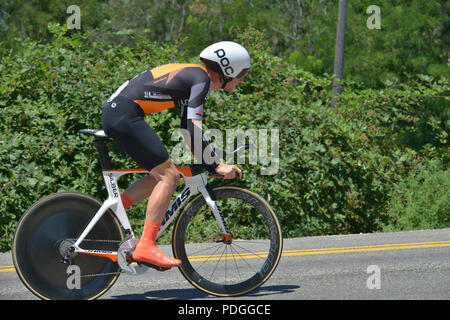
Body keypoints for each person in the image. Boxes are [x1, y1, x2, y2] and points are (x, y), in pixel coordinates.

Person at [101, 41, 251, 269]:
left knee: (158, 177)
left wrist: (210, 161)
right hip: (124, 115)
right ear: (228, 70)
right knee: (169, 176)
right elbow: (192, 126)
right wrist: (217, 165)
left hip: (120, 113)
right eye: (242, 74)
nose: (241, 80)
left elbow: (187, 129)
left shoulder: (195, 77)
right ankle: (146, 246)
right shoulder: (201, 79)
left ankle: (107, 217)